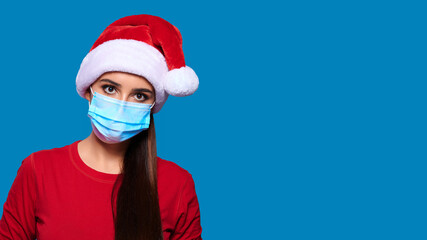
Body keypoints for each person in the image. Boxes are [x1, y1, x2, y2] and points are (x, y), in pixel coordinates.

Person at [0, 14, 202, 240]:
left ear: (153, 106)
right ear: (89, 91)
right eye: (110, 89)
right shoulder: (38, 171)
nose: (122, 105)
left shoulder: (177, 184)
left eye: (139, 95)